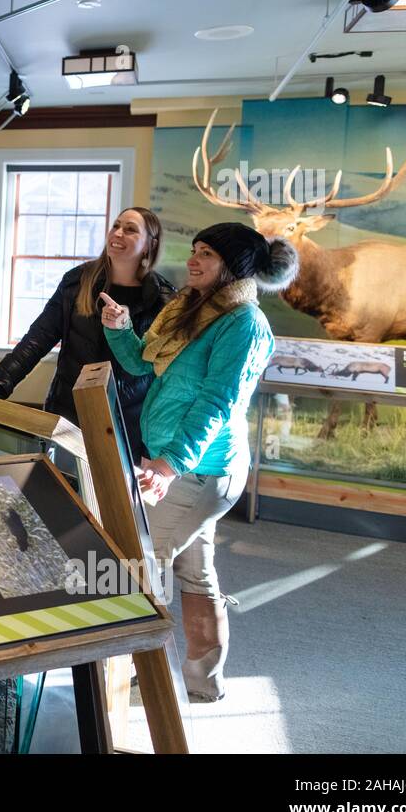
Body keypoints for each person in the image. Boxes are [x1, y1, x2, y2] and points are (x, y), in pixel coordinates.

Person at [99, 222, 297, 701]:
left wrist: (170, 465)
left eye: (206, 254)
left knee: (136, 573)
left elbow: (217, 403)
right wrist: (122, 331)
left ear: (234, 266)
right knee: (194, 573)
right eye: (194, 250)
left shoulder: (244, 324)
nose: (192, 260)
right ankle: (203, 686)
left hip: (199, 471)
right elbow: (146, 363)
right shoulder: (191, 309)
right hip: (182, 465)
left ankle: (125, 692)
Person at [0, 207, 173, 461]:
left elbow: (163, 369)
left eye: (130, 229)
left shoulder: (164, 299)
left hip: (127, 421)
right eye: (115, 226)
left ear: (150, 244)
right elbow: (37, 338)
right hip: (68, 412)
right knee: (60, 489)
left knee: (110, 497)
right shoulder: (77, 282)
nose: (118, 233)